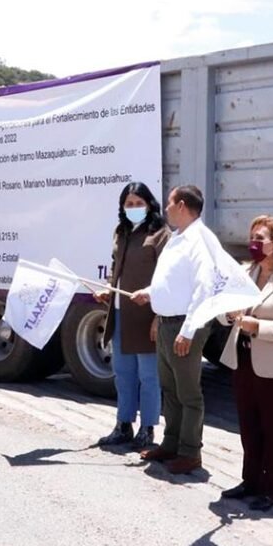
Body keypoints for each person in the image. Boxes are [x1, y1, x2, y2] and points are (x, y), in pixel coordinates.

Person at [216, 215, 273, 511]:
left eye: (260, 239)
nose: (253, 244)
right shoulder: (245, 272)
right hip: (243, 360)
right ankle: (250, 481)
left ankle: (271, 490)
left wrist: (256, 326)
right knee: (249, 426)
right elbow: (223, 311)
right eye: (252, 237)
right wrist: (229, 314)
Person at [131, 185, 215, 475]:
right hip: (168, 323)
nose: (165, 208)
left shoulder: (199, 240)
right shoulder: (177, 238)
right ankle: (171, 444)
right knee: (170, 389)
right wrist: (149, 293)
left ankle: (190, 452)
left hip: (184, 325)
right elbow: (171, 282)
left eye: (169, 203)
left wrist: (188, 331)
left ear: (181, 205)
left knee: (188, 393)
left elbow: (204, 288)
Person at [94, 182, 170, 449]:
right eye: (129, 204)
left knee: (149, 377)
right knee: (123, 374)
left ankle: (147, 429)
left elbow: (167, 278)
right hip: (120, 314)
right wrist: (107, 290)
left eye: (139, 203)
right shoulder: (121, 231)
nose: (134, 208)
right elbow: (116, 267)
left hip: (146, 315)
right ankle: (123, 425)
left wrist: (158, 316)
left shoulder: (160, 234)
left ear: (149, 205)